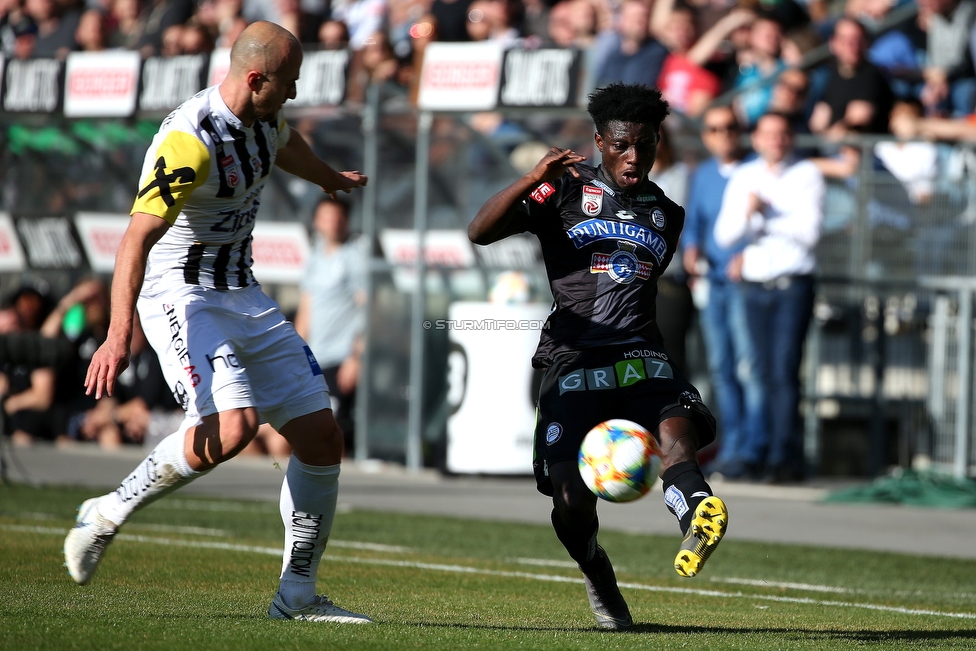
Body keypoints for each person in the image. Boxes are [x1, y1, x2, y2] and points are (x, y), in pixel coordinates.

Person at [62, 21, 373, 625]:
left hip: (242, 292)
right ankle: (104, 513)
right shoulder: (189, 141)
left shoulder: (261, 119)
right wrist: (118, 334)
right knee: (233, 428)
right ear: (255, 78)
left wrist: (329, 177)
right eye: (286, 84)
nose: (292, 94)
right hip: (183, 295)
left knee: (320, 438)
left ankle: (298, 596)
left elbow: (286, 144)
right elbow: (135, 240)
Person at [468, 83, 729, 631]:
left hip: (639, 356)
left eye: (647, 145)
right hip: (573, 362)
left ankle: (696, 510)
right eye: (623, 145)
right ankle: (597, 574)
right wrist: (532, 181)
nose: (635, 157)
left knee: (678, 439)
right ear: (600, 142)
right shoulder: (562, 192)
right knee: (569, 501)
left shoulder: (668, 214)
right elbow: (480, 231)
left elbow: (633, 287)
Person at [714, 111, 825, 484]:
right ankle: (758, 453)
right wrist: (750, 215)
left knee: (784, 371)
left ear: (790, 137)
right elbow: (725, 236)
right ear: (757, 138)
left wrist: (768, 215)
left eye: (782, 133)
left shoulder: (806, 174)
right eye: (768, 134)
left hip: (792, 284)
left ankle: (785, 456)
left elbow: (809, 233)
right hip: (754, 286)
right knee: (757, 372)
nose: (776, 140)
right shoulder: (745, 176)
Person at [682, 105, 767, 481]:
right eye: (715, 129)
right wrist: (691, 246)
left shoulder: (755, 171)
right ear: (706, 135)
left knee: (749, 367)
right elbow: (694, 222)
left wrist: (748, 255)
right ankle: (731, 447)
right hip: (713, 282)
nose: (724, 134)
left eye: (731, 127)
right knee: (721, 368)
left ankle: (752, 448)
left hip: (745, 283)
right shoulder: (702, 174)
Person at [293, 197, 366, 457]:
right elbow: (306, 310)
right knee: (288, 435)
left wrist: (355, 357)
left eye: (338, 217)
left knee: (327, 434)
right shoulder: (315, 256)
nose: (333, 223)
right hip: (313, 359)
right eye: (327, 216)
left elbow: (367, 310)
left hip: (339, 359)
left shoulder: (355, 257)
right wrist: (296, 355)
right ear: (316, 221)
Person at [808, 17, 894, 137]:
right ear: (833, 43)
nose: (851, 45)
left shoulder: (871, 75)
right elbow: (817, 123)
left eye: (857, 39)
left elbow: (857, 121)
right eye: (844, 39)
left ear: (866, 42)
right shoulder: (828, 75)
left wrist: (826, 138)